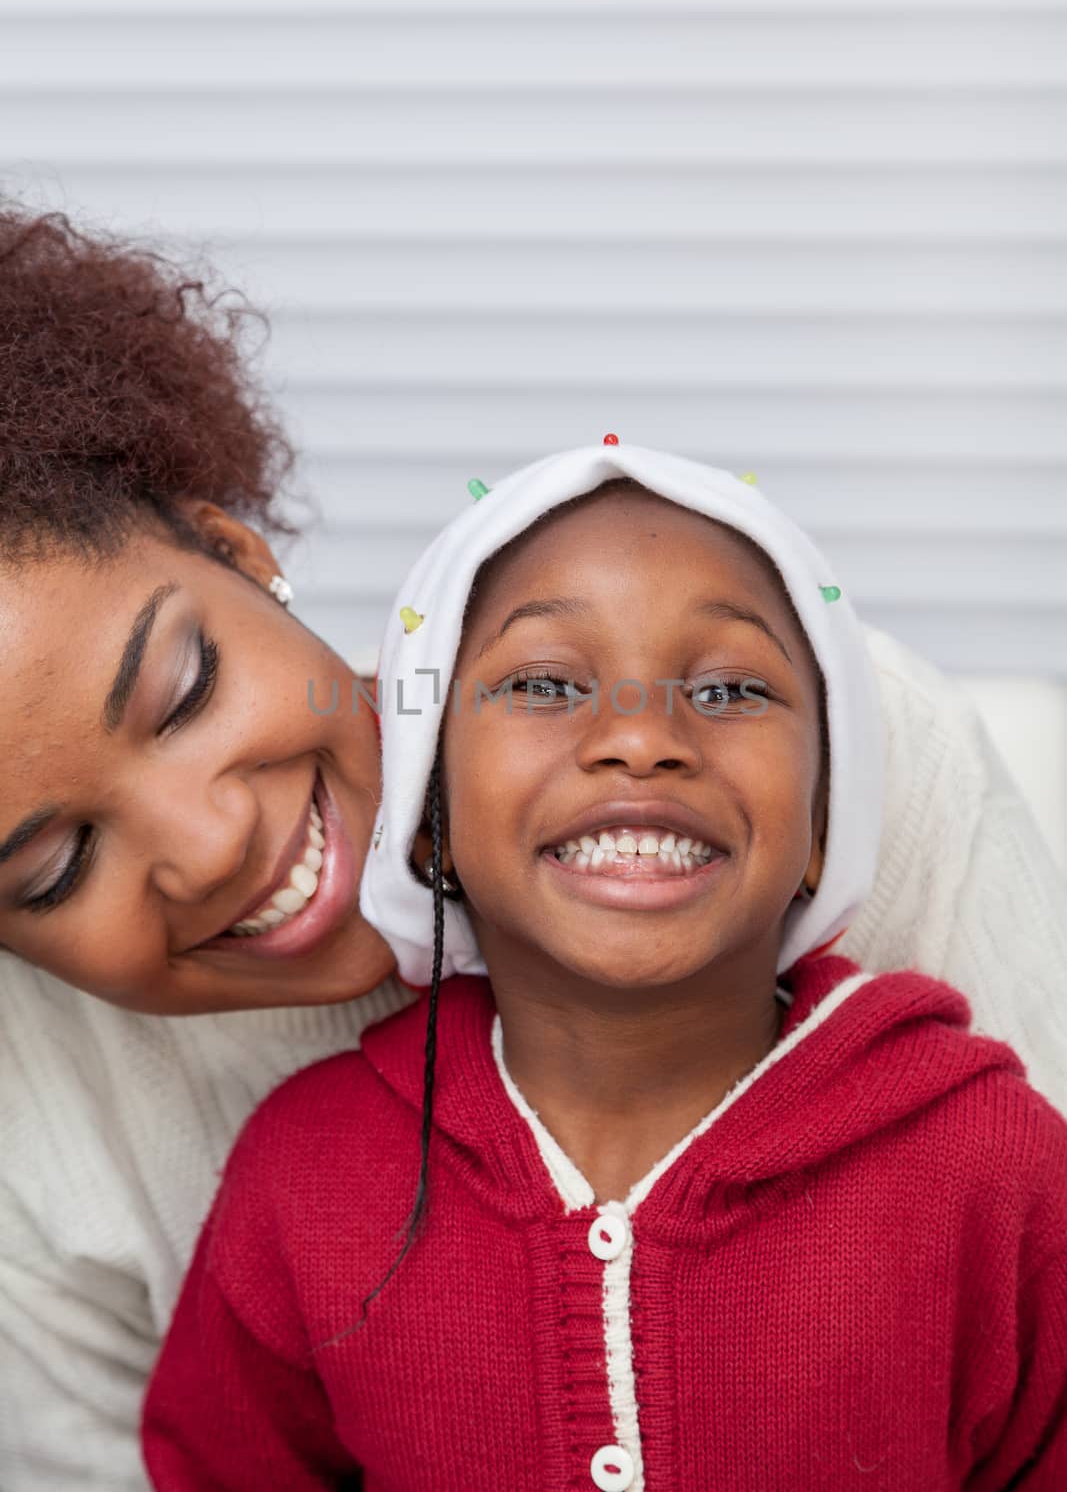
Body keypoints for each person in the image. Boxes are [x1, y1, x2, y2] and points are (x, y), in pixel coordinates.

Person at [1, 207, 1065, 1490]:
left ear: (233, 550)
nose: (213, 841)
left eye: (183, 688)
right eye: (52, 867)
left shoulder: (848, 762)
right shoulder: (204, 1157)